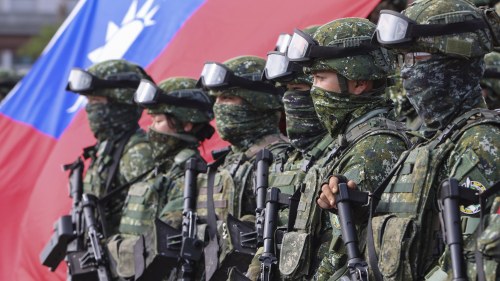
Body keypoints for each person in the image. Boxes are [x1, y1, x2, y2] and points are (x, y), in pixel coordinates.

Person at [319, 1, 500, 280]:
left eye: (417, 57)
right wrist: (358, 208)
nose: (406, 72)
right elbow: (420, 234)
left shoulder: (481, 142)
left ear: (456, 58)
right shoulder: (429, 145)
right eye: (402, 59)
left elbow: (466, 259)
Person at [280, 17, 412, 280]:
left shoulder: (375, 147)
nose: (314, 90)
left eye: (320, 78)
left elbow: (340, 253)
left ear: (358, 82)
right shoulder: (350, 142)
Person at [245, 25, 338, 280]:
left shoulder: (344, 153)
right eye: (287, 89)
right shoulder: (289, 160)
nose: (290, 99)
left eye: (300, 89)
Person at [105, 77, 215, 279]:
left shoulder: (188, 177)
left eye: (159, 121)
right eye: (152, 121)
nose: (151, 129)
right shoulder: (162, 171)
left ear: (187, 123)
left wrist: (112, 248)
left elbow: (161, 244)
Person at [198, 55, 290, 279]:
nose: (219, 107)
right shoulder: (223, 164)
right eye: (216, 99)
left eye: (228, 98)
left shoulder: (283, 161)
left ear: (259, 102)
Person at [66, 59, 154, 238]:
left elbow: (146, 228)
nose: (91, 108)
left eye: (96, 100)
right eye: (89, 101)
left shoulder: (138, 153)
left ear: (120, 103)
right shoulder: (106, 148)